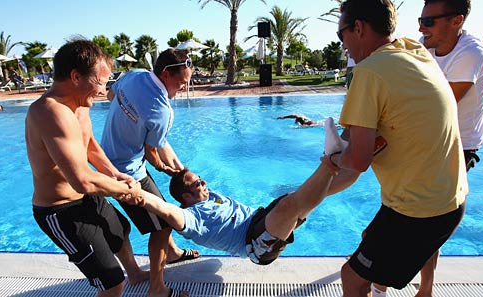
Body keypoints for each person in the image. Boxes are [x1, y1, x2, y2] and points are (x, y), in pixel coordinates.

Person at [330, 1, 468, 296]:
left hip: (417, 213)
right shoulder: (414, 52)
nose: (343, 45)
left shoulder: (368, 72)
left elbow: (357, 160)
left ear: (358, 28)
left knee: (352, 278)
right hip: (452, 200)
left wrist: (333, 157)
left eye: (341, 35)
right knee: (371, 237)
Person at [118, 120, 356, 265]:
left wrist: (165, 159)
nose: (204, 183)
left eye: (200, 179)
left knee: (307, 194)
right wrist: (136, 193)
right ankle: (331, 158)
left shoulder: (205, 193)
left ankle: (356, 158)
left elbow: (177, 166)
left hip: (262, 218)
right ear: (186, 198)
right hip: (254, 245)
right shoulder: (192, 218)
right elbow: (165, 209)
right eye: (197, 183)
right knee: (289, 205)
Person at [25, 39, 152, 297]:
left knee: (120, 232)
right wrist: (125, 191)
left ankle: (136, 274)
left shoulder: (78, 104)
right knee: (112, 281)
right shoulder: (50, 113)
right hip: (59, 210)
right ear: (76, 76)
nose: (105, 88)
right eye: (101, 81)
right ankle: (122, 279)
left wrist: (114, 173)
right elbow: (82, 181)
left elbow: (90, 144)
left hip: (86, 197)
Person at [101, 48, 199, 297]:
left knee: (160, 210)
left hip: (106, 161)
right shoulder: (162, 110)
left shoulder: (135, 75)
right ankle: (157, 289)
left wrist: (129, 122)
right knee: (163, 224)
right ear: (166, 74)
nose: (181, 90)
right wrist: (167, 170)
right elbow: (152, 152)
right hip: (128, 173)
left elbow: (111, 95)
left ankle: (173, 254)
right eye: (181, 83)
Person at [420, 0, 483, 171]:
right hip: (432, 135)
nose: (421, 28)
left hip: (459, 143)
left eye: (428, 22)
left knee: (440, 197)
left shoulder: (471, 53)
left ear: (456, 21)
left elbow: (439, 106)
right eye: (420, 21)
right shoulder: (425, 43)